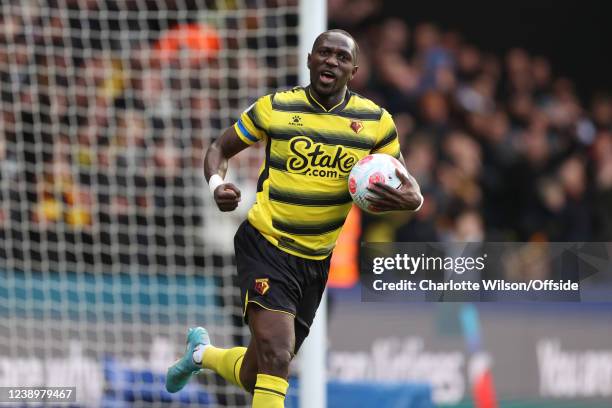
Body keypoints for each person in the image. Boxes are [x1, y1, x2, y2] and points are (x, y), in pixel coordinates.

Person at [166, 29, 423, 407]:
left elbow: (408, 184)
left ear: (354, 70)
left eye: (340, 57)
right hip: (265, 245)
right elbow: (220, 147)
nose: (330, 61)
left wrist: (412, 199)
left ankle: (201, 355)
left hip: (315, 262)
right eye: (324, 53)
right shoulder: (277, 107)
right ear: (309, 59)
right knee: (277, 353)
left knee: (261, 370)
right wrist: (216, 184)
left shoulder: (375, 122)